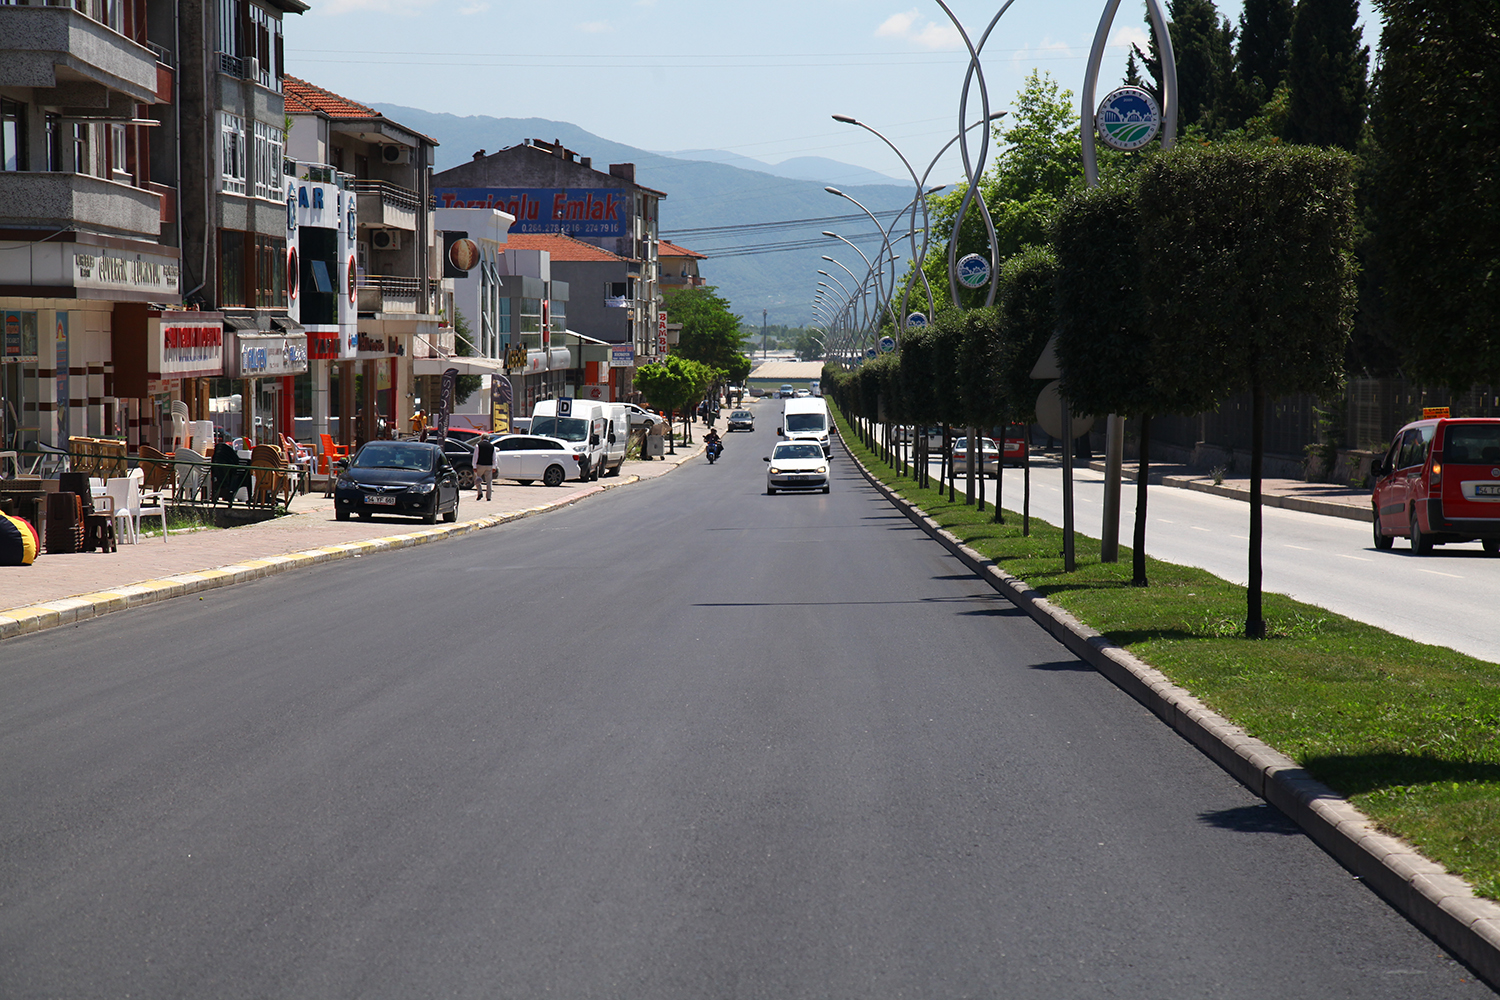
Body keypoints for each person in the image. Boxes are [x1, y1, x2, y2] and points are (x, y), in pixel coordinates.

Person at [471, 434, 496, 501]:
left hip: (480, 465)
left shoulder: (478, 445)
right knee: (489, 481)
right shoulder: (492, 446)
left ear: (482, 438)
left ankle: (480, 492)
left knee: (477, 480)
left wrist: (474, 466)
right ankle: (489, 497)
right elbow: (494, 457)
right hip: (489, 466)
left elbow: (475, 456)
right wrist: (494, 466)